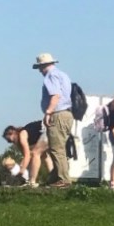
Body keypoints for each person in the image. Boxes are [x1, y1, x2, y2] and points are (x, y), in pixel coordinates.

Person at [33, 52, 74, 188]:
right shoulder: (63, 75)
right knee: (58, 147)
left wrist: (48, 112)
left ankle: (63, 179)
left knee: (56, 148)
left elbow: (55, 95)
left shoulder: (50, 76)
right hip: (67, 114)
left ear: (42, 66)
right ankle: (55, 177)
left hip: (57, 114)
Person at [1, 121, 52, 187]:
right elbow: (27, 159)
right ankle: (53, 177)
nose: (11, 142)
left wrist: (21, 173)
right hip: (47, 132)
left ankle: (32, 182)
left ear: (14, 132)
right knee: (44, 156)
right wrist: (22, 169)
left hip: (49, 129)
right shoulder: (19, 143)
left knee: (35, 153)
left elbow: (27, 156)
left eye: (10, 140)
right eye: (9, 141)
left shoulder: (22, 135)